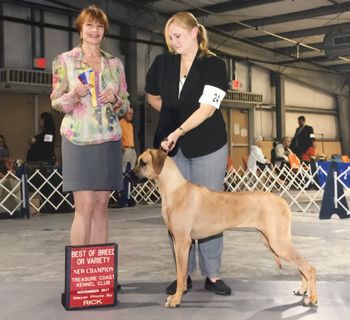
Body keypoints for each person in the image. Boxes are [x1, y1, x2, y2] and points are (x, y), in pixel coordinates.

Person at [145, 11, 231, 296]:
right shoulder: (163, 63)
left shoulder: (215, 65)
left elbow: (207, 109)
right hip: (173, 147)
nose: (173, 42)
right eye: (170, 37)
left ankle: (213, 275)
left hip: (208, 144)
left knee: (210, 211)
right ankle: (184, 277)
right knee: (177, 215)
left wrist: (179, 128)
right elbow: (152, 96)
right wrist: (172, 118)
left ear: (195, 33)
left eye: (178, 36)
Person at [50, 5, 129, 247]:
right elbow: (55, 102)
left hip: (108, 141)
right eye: (89, 25)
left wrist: (115, 99)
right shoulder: (65, 61)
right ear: (80, 30)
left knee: (102, 206)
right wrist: (74, 94)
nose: (95, 30)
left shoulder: (115, 64)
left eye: (100, 26)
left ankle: (97, 273)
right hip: (78, 141)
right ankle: (79, 273)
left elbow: (127, 108)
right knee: (83, 207)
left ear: (104, 31)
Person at [120, 106, 137, 172]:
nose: (131, 115)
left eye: (132, 114)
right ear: (124, 114)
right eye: (129, 113)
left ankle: (131, 182)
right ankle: (123, 182)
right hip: (125, 149)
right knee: (123, 170)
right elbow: (119, 137)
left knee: (132, 169)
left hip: (132, 150)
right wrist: (122, 149)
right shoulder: (120, 123)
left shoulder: (130, 125)